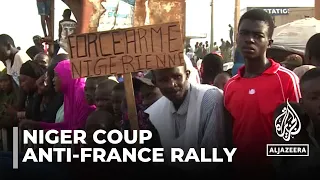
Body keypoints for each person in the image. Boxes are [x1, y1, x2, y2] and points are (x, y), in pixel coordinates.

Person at [224, 9, 301, 176]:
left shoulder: (287, 80)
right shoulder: (230, 85)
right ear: (236, 38)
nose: (249, 40)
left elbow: (298, 133)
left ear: (269, 42)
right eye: (244, 33)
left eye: (258, 36)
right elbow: (229, 134)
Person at [145, 64, 225, 172]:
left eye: (177, 76)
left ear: (187, 75)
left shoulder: (209, 98)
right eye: (164, 80)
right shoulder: (155, 113)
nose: (172, 84)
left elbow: (212, 159)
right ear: (155, 83)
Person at [19, 60, 95, 131]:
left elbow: (78, 131)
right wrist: (37, 125)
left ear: (66, 76)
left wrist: (44, 129)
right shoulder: (68, 96)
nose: (53, 80)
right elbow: (67, 125)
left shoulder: (81, 95)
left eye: (56, 75)